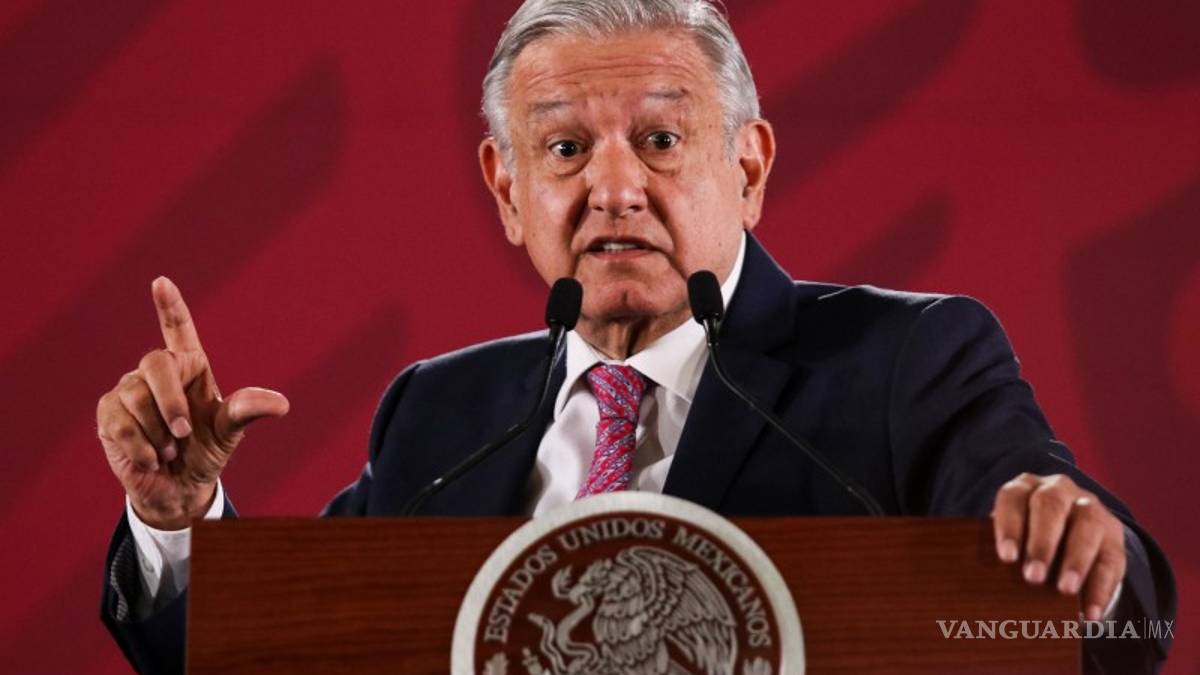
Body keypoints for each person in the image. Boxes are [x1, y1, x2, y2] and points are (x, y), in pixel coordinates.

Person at [96, 1, 1175, 673]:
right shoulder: (441, 414)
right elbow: (279, 655)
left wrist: (1077, 547)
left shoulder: (906, 363)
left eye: (660, 138)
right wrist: (178, 522)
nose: (614, 187)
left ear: (747, 167)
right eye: (565, 149)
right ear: (507, 188)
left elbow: (1120, 622)